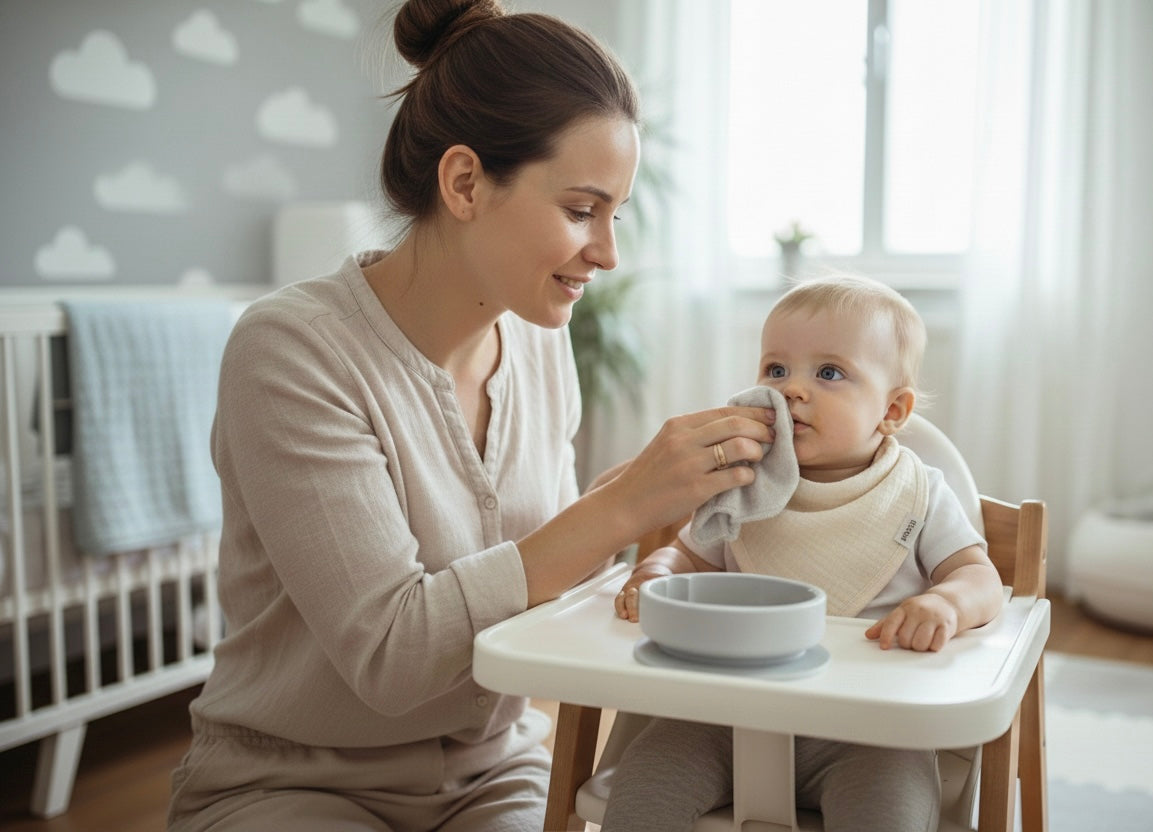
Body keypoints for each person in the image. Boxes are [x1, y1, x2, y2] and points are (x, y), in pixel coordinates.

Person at [165, 2, 777, 831]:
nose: (607, 252)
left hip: (494, 772)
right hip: (292, 785)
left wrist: (652, 543)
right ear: (463, 183)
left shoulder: (537, 344)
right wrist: (619, 504)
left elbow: (534, 595)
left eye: (615, 213)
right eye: (579, 209)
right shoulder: (292, 351)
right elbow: (390, 656)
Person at [602, 273, 1005, 832]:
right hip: (723, 715)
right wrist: (654, 573)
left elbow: (981, 579)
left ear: (892, 411)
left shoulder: (920, 492)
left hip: (871, 730)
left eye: (829, 373)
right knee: (641, 786)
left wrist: (947, 606)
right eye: (775, 369)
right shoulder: (743, 484)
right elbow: (689, 558)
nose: (792, 389)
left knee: (894, 812)